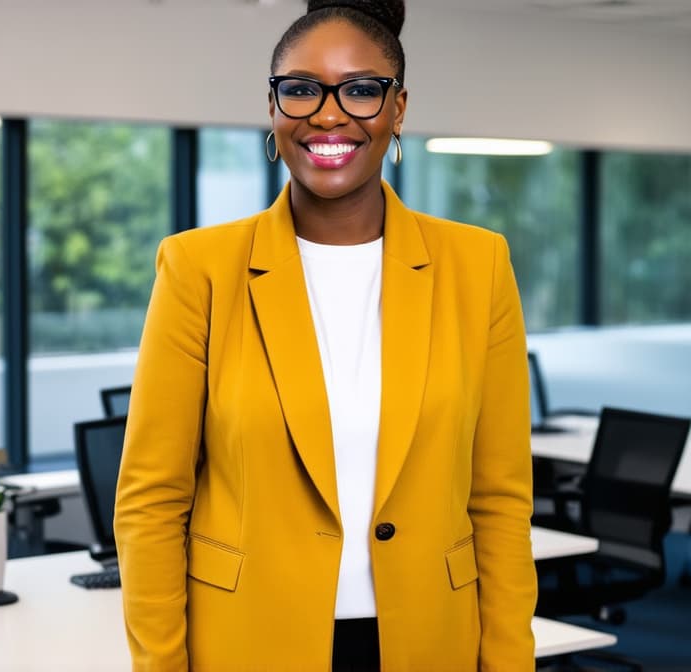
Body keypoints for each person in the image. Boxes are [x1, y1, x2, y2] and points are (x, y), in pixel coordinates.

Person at [114, 0, 537, 669]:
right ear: (274, 108)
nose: (329, 114)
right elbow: (151, 502)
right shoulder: (199, 269)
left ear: (398, 109)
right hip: (249, 637)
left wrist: (511, 661)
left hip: (430, 637)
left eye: (362, 91)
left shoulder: (477, 266)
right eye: (302, 89)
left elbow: (501, 499)